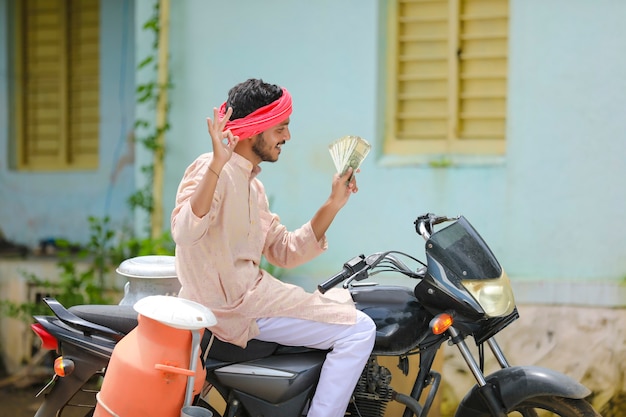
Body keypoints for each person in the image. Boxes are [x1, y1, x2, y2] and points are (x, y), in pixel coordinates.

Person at [171, 78, 376, 417]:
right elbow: (184, 232)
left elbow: (285, 250)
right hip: (235, 308)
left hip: (253, 297)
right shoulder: (211, 169)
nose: (288, 137)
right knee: (359, 330)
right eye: (281, 128)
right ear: (255, 130)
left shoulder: (254, 187)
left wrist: (333, 203)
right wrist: (215, 166)